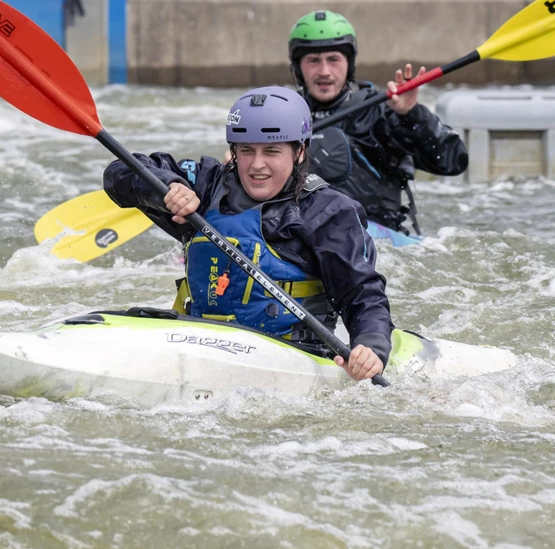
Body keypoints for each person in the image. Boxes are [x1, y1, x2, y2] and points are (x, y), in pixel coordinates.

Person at [104, 86, 393, 382]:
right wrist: (169, 186)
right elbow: (119, 173)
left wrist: (371, 345)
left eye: (271, 151)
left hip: (289, 357)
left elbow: (362, 294)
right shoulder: (206, 186)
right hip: (200, 346)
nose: (257, 164)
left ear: (299, 152)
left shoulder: (328, 213)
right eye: (246, 151)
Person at [288, 10, 469, 235]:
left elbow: (454, 161)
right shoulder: (284, 117)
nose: (324, 71)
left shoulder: (379, 113)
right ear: (298, 67)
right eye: (313, 61)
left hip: (377, 241)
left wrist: (411, 115)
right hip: (304, 236)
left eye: (333, 59)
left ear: (349, 63)